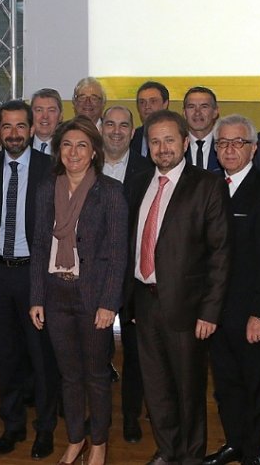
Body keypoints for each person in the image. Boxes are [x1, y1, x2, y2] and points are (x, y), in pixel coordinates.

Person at [124, 109, 230, 465]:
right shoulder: (139, 182)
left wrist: (210, 312)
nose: (162, 147)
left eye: (170, 139)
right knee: (156, 388)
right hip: (144, 301)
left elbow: (220, 254)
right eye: (155, 141)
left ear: (185, 142)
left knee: (189, 390)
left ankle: (191, 456)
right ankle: (167, 450)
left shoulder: (207, 185)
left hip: (188, 307)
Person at [29, 116, 128, 465]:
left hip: (93, 297)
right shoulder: (46, 189)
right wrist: (36, 297)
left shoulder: (110, 192)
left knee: (97, 376)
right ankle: (75, 439)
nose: (74, 152)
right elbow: (40, 246)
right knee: (69, 376)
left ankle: (98, 443)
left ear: (94, 152)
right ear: (59, 150)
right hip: (56, 295)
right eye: (67, 145)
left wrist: (109, 303)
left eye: (82, 145)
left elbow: (118, 253)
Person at [0, 100, 60, 458]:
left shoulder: (49, 168)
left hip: (35, 275)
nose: (13, 134)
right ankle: (12, 426)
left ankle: (45, 429)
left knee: (42, 358)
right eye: (5, 126)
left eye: (20, 126)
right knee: (6, 357)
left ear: (31, 128)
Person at [204, 115, 260, 465]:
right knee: (226, 385)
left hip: (251, 312)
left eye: (238, 142)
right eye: (223, 143)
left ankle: (254, 450)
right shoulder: (208, 187)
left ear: (254, 148)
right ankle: (235, 442)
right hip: (214, 311)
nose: (230, 149)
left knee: (254, 385)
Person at [100, 105, 153, 443]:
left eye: (123, 125)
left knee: (135, 353)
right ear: (100, 129)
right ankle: (97, 415)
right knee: (95, 349)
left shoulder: (148, 170)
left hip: (135, 276)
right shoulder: (84, 165)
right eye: (110, 124)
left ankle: (131, 416)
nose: (116, 131)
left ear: (133, 133)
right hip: (95, 275)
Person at [182, 86, 220, 171]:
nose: (197, 113)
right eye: (191, 107)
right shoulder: (177, 147)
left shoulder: (225, 146)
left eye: (204, 107)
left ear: (215, 112)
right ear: (184, 113)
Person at [130, 81, 170, 158]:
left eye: (153, 101)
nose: (147, 106)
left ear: (165, 104)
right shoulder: (131, 138)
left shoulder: (178, 136)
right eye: (142, 102)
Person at [31, 88, 64, 154]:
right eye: (39, 110)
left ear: (60, 116)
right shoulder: (20, 147)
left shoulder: (68, 149)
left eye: (51, 110)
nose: (45, 116)